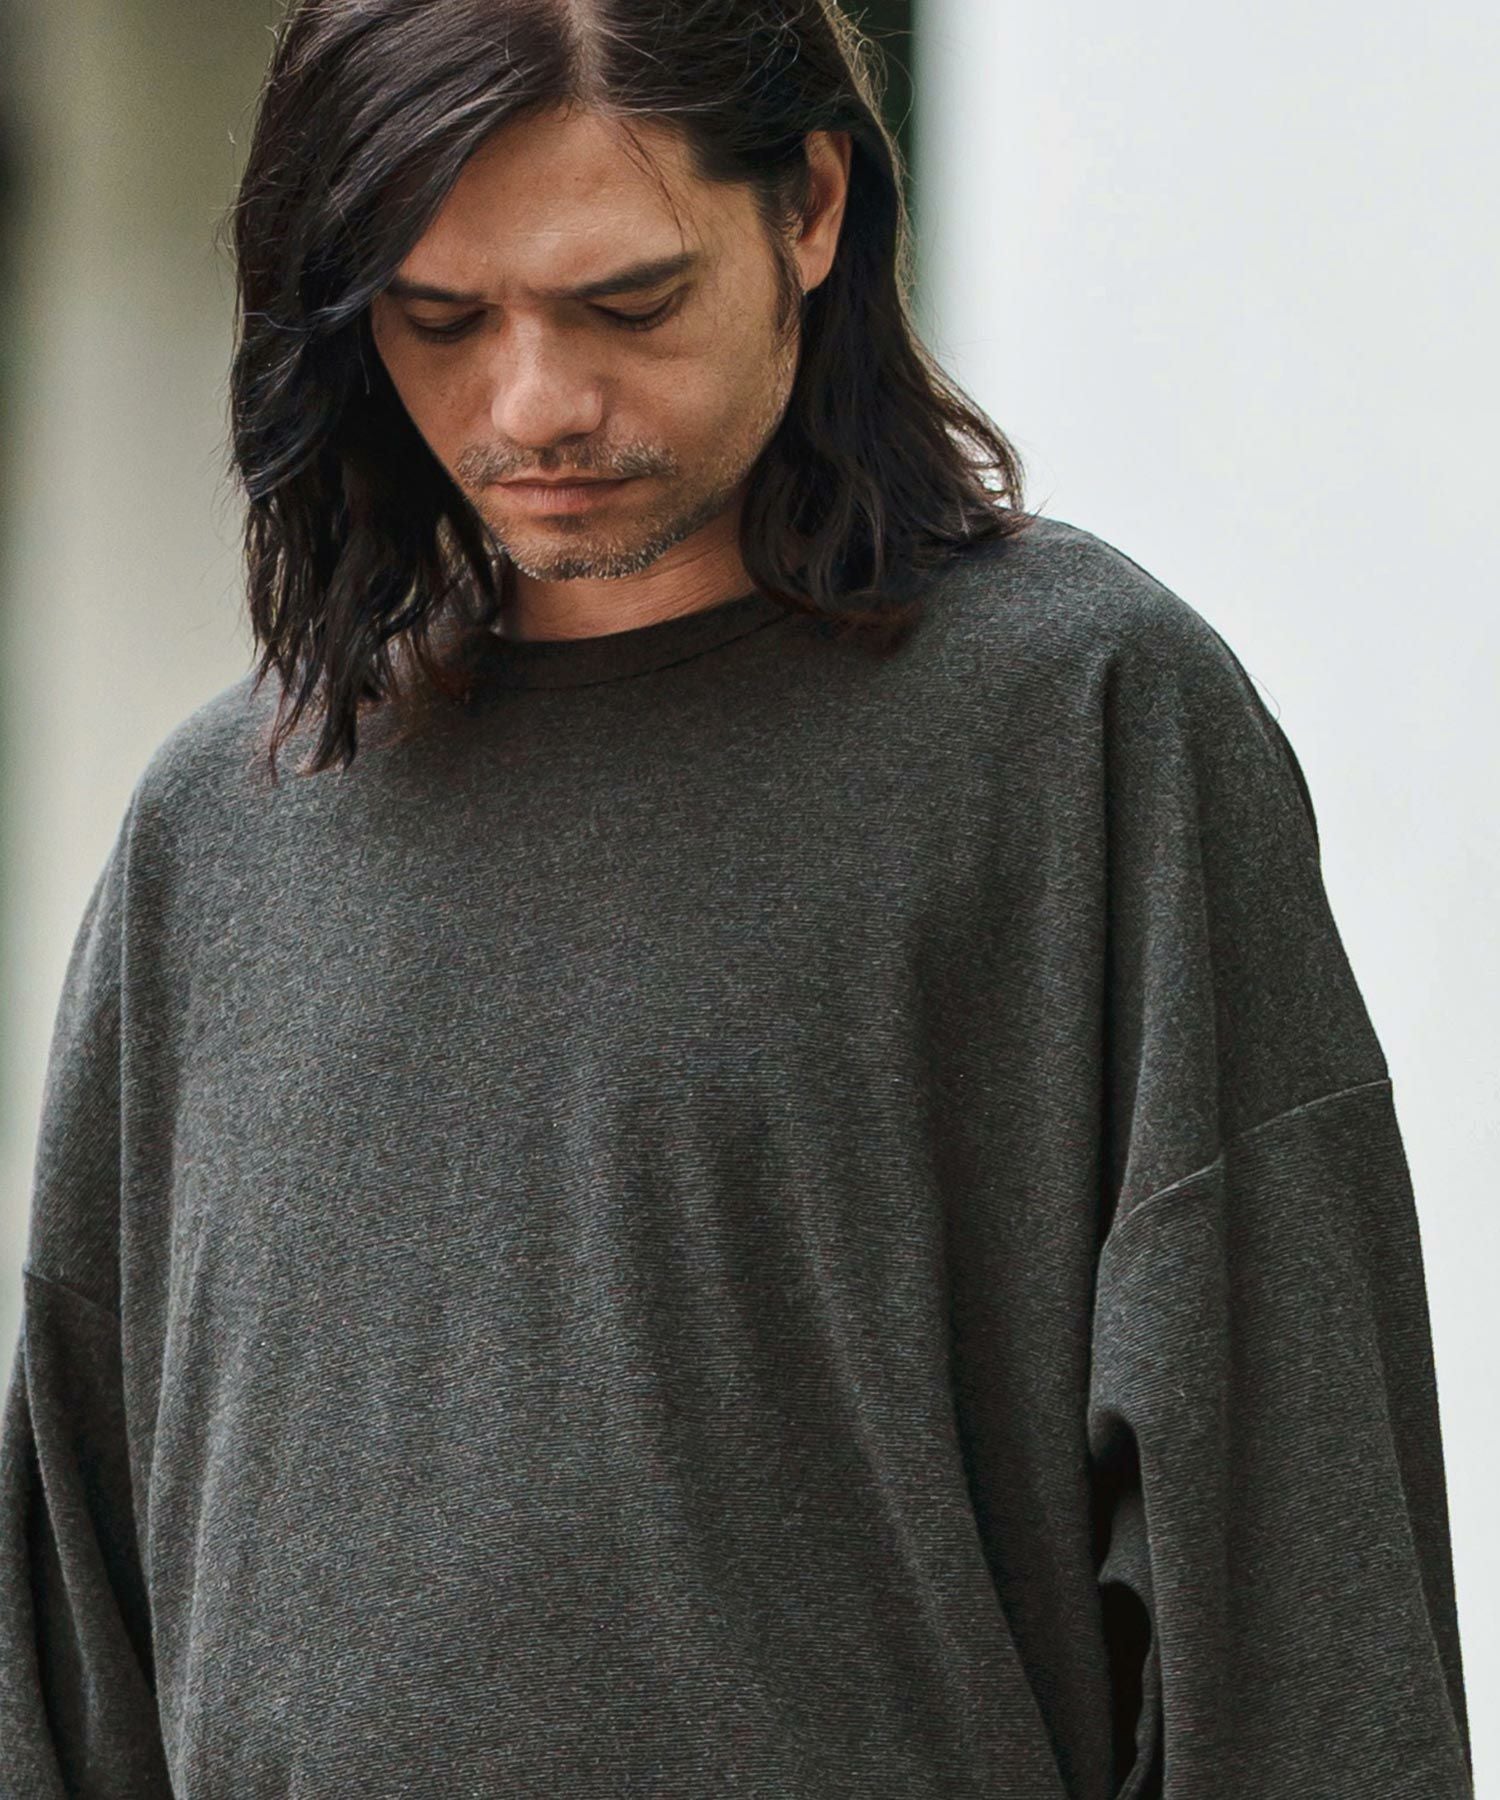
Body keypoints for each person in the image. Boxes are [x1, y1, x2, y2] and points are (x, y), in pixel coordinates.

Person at [0, 1, 1474, 1795]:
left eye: (626, 302)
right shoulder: (220, 835)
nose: (531, 403)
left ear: (813, 208)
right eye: (438, 317)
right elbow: (68, 1635)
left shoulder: (1084, 729)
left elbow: (1300, 1600)